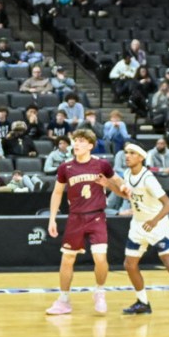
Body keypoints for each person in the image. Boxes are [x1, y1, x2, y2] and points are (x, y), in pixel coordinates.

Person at [106, 144, 169, 321]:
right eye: (126, 153)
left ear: (141, 158)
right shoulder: (127, 174)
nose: (127, 156)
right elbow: (128, 196)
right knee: (129, 264)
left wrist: (154, 221)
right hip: (138, 224)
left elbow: (168, 204)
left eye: (132, 153)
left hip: (157, 225)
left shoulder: (148, 179)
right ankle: (143, 302)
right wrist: (108, 185)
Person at [46, 129, 126, 316]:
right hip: (75, 217)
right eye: (75, 140)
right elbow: (57, 192)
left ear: (90, 145)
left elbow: (118, 182)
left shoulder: (102, 164)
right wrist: (52, 219)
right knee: (67, 259)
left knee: (100, 258)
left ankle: (100, 291)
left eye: (81, 141)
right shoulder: (65, 167)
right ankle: (64, 300)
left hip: (97, 216)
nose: (76, 144)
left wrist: (121, 186)